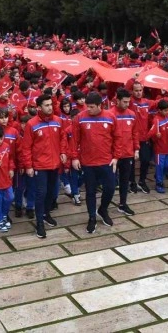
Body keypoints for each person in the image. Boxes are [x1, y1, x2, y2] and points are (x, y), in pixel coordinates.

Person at [18, 95, 68, 239]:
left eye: (51, 104)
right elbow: (26, 147)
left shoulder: (58, 121)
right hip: (40, 165)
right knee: (41, 193)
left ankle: (46, 214)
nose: (50, 107)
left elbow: (63, 137)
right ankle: (39, 222)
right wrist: (28, 166)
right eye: (46, 105)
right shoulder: (31, 124)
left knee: (52, 192)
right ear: (39, 107)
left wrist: (63, 152)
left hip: (55, 164)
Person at [70, 92, 119, 233]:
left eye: (91, 107)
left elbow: (117, 138)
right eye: (87, 106)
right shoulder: (80, 118)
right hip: (88, 162)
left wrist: (116, 157)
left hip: (106, 161)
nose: (88, 109)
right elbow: (74, 140)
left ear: (100, 105)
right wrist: (74, 157)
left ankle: (103, 209)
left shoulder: (110, 117)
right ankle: (91, 217)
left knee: (110, 187)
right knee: (90, 191)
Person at [110, 88, 139, 215]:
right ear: (117, 101)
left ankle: (123, 204)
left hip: (127, 154)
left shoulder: (132, 114)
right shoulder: (110, 114)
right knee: (110, 183)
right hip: (113, 155)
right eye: (125, 102)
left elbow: (135, 133)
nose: (127, 104)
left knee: (125, 180)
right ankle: (104, 206)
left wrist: (136, 149)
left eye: (128, 102)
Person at [148, 99, 168, 194]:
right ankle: (159, 183)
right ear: (159, 110)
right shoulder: (156, 120)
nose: (167, 112)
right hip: (159, 149)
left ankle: (158, 176)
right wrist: (156, 136)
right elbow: (150, 134)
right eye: (165, 110)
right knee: (160, 166)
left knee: (167, 166)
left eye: (167, 110)